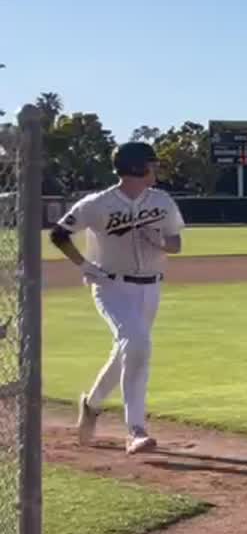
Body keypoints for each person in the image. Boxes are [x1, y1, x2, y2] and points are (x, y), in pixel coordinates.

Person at [49, 141, 186, 456]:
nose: (156, 170)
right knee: (138, 344)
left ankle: (92, 404)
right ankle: (135, 430)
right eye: (152, 164)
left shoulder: (162, 201)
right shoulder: (97, 204)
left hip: (150, 288)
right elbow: (59, 234)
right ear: (138, 168)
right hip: (111, 286)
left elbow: (176, 243)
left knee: (128, 349)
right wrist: (84, 266)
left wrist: (161, 243)